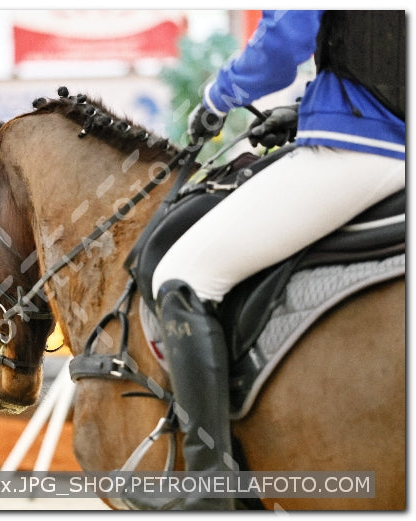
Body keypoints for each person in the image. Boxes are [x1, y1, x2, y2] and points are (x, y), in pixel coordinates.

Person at [148, 10, 405, 510]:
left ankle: (209, 496)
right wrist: (311, 108)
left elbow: (286, 36)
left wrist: (218, 97)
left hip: (368, 149)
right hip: (383, 131)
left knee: (181, 276)